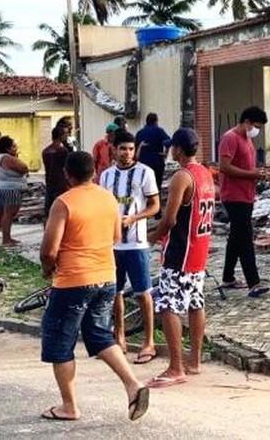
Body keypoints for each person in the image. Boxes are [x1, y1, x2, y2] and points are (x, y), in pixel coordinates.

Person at [39, 151, 149, 422]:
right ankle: (133, 384)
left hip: (73, 280)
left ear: (68, 174)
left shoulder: (63, 203)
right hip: (106, 277)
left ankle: (69, 406)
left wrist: (47, 269)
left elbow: (49, 250)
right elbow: (114, 235)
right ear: (93, 172)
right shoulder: (108, 198)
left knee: (60, 342)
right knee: (99, 334)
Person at [147, 128, 214, 388]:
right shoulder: (205, 174)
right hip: (199, 249)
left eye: (171, 147)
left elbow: (170, 219)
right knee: (196, 302)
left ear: (177, 149)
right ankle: (194, 360)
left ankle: (176, 367)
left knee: (169, 306)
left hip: (180, 250)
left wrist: (152, 236)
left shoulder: (182, 177)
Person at [99, 129, 160, 364]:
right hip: (112, 244)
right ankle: (119, 336)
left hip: (136, 243)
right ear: (113, 149)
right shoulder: (105, 176)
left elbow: (155, 206)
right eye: (122, 148)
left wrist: (133, 219)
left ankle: (149, 341)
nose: (126, 153)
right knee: (115, 292)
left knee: (143, 292)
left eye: (131, 149)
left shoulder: (145, 173)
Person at [219, 106, 270, 298]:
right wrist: (252, 174)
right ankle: (253, 282)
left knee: (236, 236)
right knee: (245, 239)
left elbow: (247, 166)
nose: (257, 130)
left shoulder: (247, 139)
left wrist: (260, 173)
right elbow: (224, 167)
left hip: (246, 194)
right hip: (233, 196)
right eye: (256, 126)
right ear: (247, 122)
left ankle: (228, 276)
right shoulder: (230, 138)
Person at [0, 136, 29, 246]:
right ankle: (6, 239)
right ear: (7, 149)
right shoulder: (7, 158)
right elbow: (23, 168)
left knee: (9, 213)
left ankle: (8, 237)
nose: (16, 148)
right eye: (13, 146)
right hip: (9, 189)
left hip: (8, 188)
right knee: (9, 213)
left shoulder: (2, 157)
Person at [135, 113, 171, 196]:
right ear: (156, 121)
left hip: (142, 163)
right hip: (157, 162)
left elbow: (135, 148)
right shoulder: (159, 131)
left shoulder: (140, 133)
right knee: (156, 187)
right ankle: (156, 206)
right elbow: (168, 142)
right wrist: (165, 153)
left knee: (143, 187)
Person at [42, 126, 70, 215]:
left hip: (49, 182)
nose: (67, 136)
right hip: (61, 183)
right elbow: (66, 167)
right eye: (66, 134)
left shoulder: (46, 151)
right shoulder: (63, 151)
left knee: (49, 210)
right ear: (61, 136)